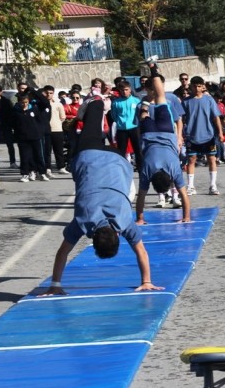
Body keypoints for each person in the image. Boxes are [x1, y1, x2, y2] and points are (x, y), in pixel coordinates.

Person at [41, 90, 162, 296]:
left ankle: (98, 105)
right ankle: (95, 103)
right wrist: (55, 285)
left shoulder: (124, 222)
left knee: (98, 132)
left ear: (117, 235)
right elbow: (62, 252)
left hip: (117, 160)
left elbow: (141, 250)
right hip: (87, 158)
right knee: (89, 129)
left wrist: (147, 281)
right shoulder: (83, 221)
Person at [135, 64, 191, 224]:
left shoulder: (174, 169)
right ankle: (145, 103)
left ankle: (153, 69)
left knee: (160, 97)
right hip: (149, 135)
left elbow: (184, 195)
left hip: (166, 132)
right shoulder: (147, 170)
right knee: (144, 114)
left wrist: (186, 217)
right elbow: (141, 196)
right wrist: (140, 219)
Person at [184, 76, 223, 194]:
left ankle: (213, 186)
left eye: (199, 86)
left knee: (211, 159)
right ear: (191, 87)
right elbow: (180, 119)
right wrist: (180, 135)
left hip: (208, 135)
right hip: (192, 136)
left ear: (203, 87)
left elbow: (216, 117)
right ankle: (190, 186)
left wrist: (220, 132)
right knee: (191, 159)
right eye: (194, 86)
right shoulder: (186, 101)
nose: (197, 88)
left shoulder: (209, 100)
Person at [111, 80, 143, 170]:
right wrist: (119, 122)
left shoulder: (136, 101)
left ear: (130, 89)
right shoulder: (116, 102)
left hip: (134, 127)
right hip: (121, 129)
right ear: (119, 91)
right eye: (122, 90)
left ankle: (141, 169)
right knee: (121, 151)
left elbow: (139, 114)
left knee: (138, 150)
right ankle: (121, 169)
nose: (124, 92)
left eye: (126, 90)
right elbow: (114, 115)